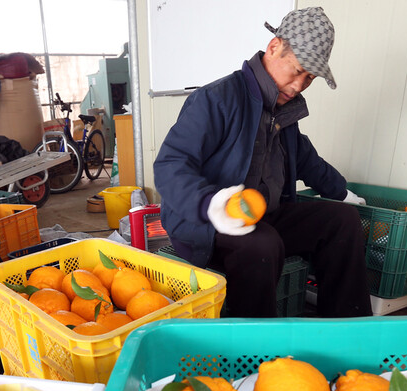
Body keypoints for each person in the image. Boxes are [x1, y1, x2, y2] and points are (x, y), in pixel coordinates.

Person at [153, 7, 373, 317]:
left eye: (309, 78)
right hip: (204, 223)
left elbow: (306, 159)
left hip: (263, 215)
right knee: (262, 246)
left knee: (344, 221)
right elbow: (170, 165)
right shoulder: (216, 99)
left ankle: (347, 329)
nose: (299, 85)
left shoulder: (284, 111)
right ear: (274, 48)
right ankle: (256, 355)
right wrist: (210, 205)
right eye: (296, 70)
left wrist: (341, 192)